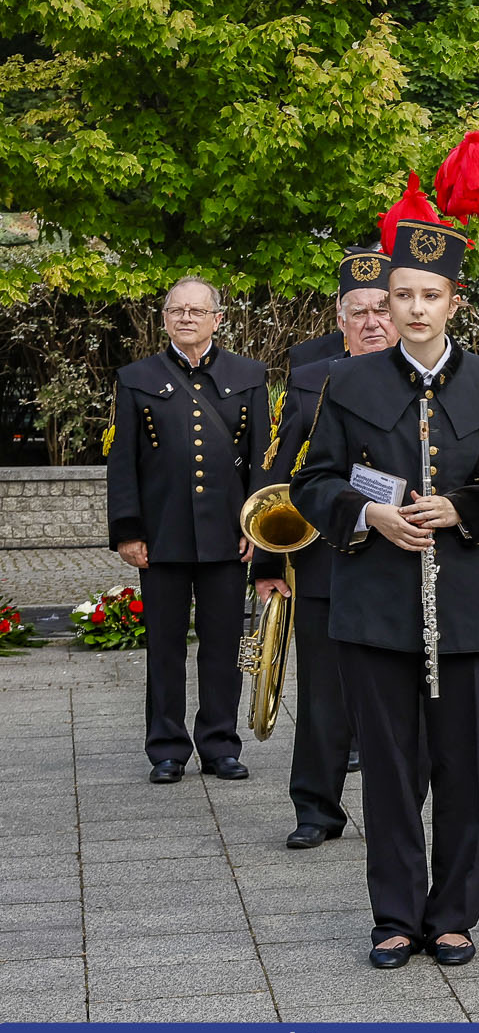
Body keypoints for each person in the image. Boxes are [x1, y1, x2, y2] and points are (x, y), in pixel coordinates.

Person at [292, 214, 479, 969]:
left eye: (429, 295)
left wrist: (467, 508)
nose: (413, 308)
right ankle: (397, 915)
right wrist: (367, 513)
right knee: (389, 768)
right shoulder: (348, 381)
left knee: (462, 765)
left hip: (467, 609)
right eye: (401, 294)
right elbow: (312, 482)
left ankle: (454, 914)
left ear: (454, 301)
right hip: (373, 606)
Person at [250, 252, 394, 845]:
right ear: (341, 320)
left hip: (399, 560)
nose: (372, 322)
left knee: (393, 702)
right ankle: (315, 811)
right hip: (323, 561)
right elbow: (279, 477)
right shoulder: (311, 380)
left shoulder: (427, 379)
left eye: (382, 308)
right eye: (358, 312)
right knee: (321, 699)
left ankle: (393, 813)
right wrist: (266, 563)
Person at [106, 277, 268, 784]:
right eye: (177, 311)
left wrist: (256, 528)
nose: (186, 318)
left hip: (227, 534)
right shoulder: (137, 377)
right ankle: (167, 749)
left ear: (218, 319)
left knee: (223, 644)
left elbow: (261, 460)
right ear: (165, 319)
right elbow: (123, 462)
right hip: (162, 535)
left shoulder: (249, 375)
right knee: (165, 646)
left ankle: (220, 745)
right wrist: (128, 531)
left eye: (197, 311)